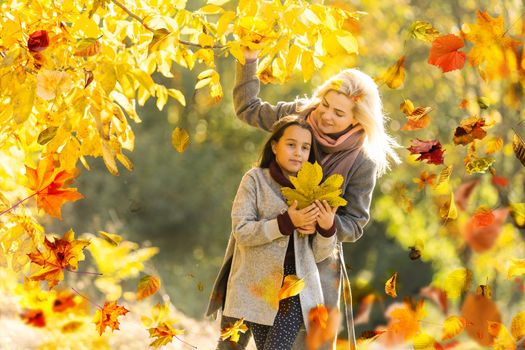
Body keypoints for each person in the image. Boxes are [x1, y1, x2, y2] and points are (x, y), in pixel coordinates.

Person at [222, 49, 401, 349]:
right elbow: (248, 108)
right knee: (231, 341)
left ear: (358, 119)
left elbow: (355, 224)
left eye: (339, 113)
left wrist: (325, 223)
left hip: (312, 263)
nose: (326, 115)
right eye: (325, 104)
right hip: (260, 247)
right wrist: (249, 60)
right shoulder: (297, 116)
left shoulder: (361, 162)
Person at [206, 115, 338, 349]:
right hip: (251, 283)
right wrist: (287, 221)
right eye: (291, 144)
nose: (298, 152)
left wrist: (327, 228)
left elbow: (319, 255)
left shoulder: (314, 191)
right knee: (229, 348)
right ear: (275, 146)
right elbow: (242, 231)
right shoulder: (255, 180)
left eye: (305, 147)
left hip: (294, 290)